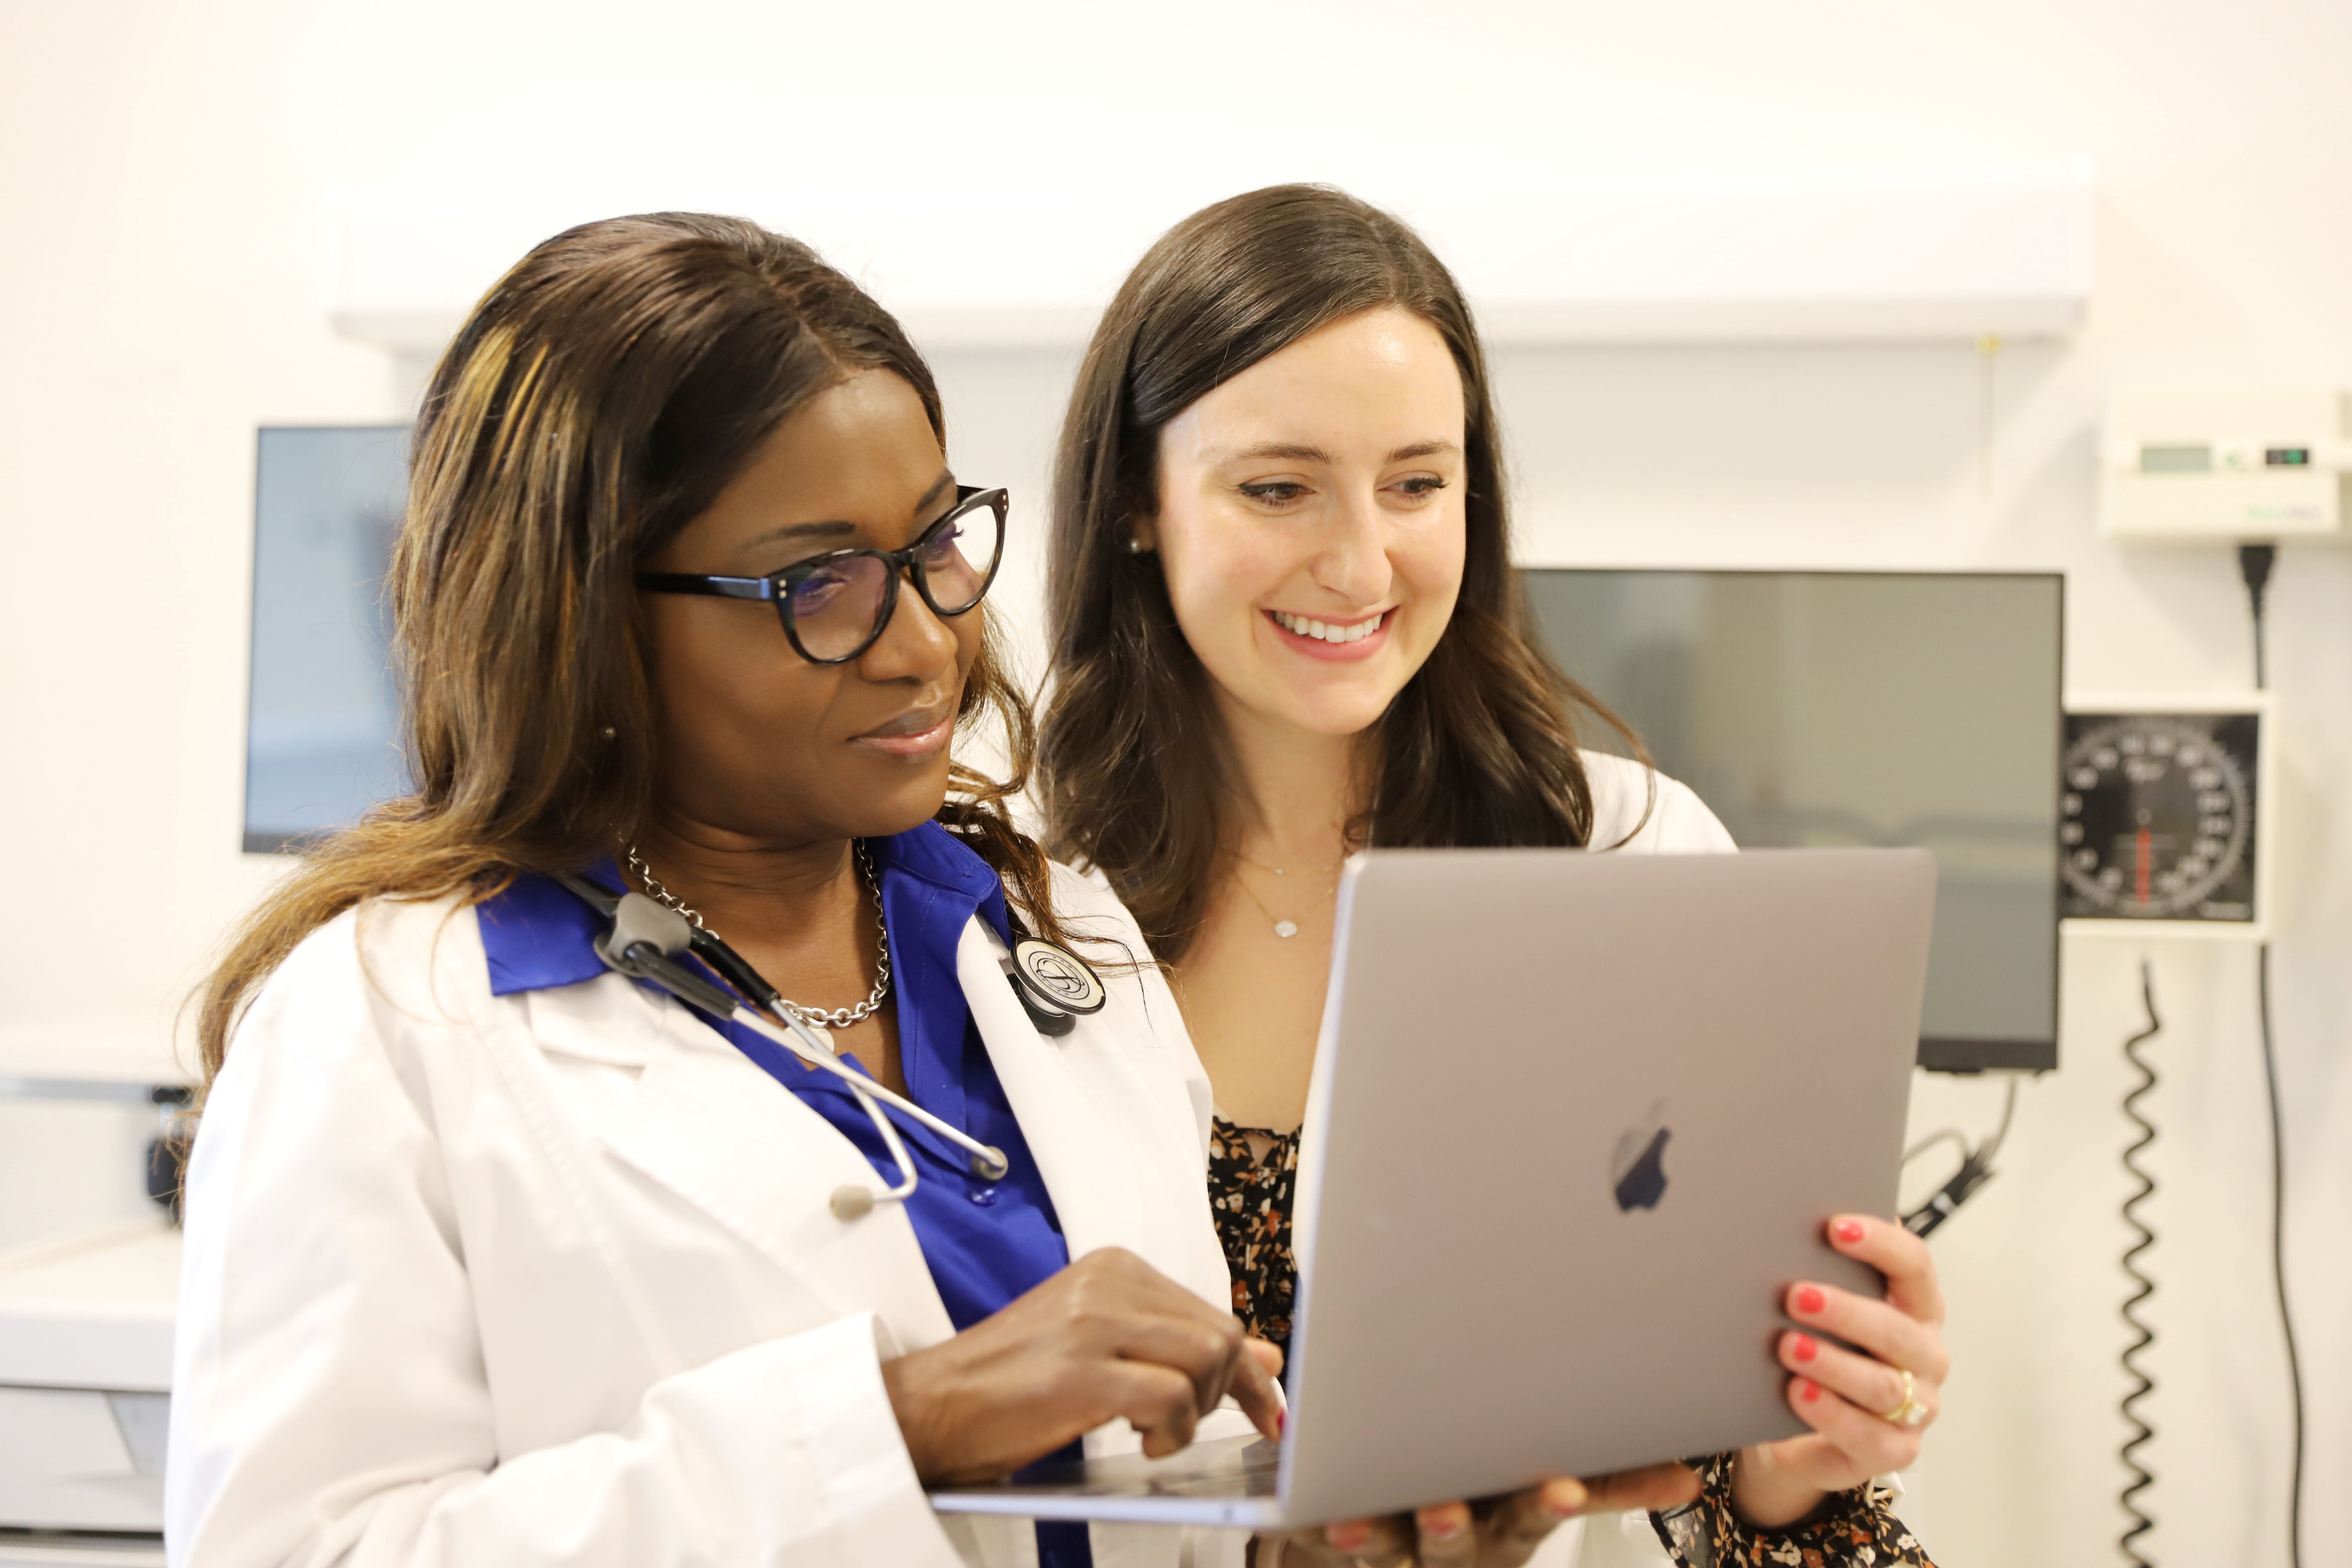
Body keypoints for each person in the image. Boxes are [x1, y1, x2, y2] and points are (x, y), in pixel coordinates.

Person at [167, 213, 1302, 1568]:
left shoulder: (1053, 931)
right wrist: (896, 1425)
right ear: (583, 612)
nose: (928, 641)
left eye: (938, 545)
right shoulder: (385, 1029)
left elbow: (1155, 1507)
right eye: (820, 583)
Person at [1038, 185, 1949, 1568]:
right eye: (1278, 487)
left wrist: (1794, 1466)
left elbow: (1715, 1468)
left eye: (1418, 483)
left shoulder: (1631, 858)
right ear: (1135, 507)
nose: (1361, 562)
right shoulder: (996, 888)